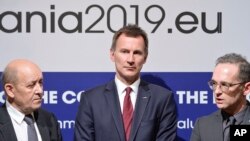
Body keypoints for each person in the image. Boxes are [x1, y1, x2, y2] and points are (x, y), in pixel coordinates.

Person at [74, 24, 177, 141]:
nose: (130, 60)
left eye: (137, 53)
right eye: (124, 51)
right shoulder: (91, 100)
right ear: (112, 55)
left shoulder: (162, 99)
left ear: (145, 57)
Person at [190, 53, 250, 141]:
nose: (217, 91)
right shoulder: (203, 125)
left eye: (225, 85)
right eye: (214, 83)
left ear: (246, 88)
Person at [0, 59, 62, 141]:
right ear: (10, 90)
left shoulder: (49, 120)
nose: (40, 91)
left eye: (40, 83)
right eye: (31, 85)